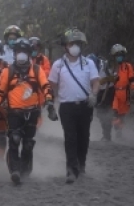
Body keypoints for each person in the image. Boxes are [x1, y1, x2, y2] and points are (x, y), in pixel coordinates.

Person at [0, 37, 57, 184]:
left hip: (32, 112)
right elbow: (0, 91)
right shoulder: (8, 71)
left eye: (24, 52)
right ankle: (14, 171)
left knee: (28, 143)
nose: (21, 54)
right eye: (18, 52)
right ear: (15, 53)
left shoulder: (36, 69)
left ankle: (25, 171)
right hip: (14, 113)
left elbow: (45, 86)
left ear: (29, 54)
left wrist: (49, 101)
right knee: (14, 140)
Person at [48, 28, 100, 184]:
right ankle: (71, 170)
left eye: (77, 43)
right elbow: (52, 85)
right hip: (67, 107)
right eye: (72, 43)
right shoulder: (58, 65)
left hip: (85, 106)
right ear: (65, 46)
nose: (75, 46)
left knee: (83, 138)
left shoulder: (89, 63)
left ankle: (81, 165)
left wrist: (94, 94)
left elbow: (96, 81)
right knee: (71, 138)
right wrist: (53, 101)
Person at [87, 53, 115, 141]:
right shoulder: (87, 67)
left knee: (106, 113)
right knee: (99, 113)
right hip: (97, 91)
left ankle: (107, 136)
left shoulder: (106, 66)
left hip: (108, 90)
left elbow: (115, 77)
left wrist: (109, 79)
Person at [110, 44, 134, 138]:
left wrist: (133, 89)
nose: (119, 57)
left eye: (120, 55)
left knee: (122, 115)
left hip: (125, 94)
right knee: (114, 112)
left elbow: (132, 79)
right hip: (115, 94)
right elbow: (107, 80)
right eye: (117, 55)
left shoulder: (128, 67)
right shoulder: (113, 67)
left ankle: (119, 131)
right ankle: (116, 128)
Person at [29, 36, 52, 129]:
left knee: (38, 108)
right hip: (27, 87)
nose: (35, 48)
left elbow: (48, 71)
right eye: (33, 46)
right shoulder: (25, 57)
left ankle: (36, 127)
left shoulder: (43, 59)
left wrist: (38, 73)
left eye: (36, 46)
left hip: (40, 87)